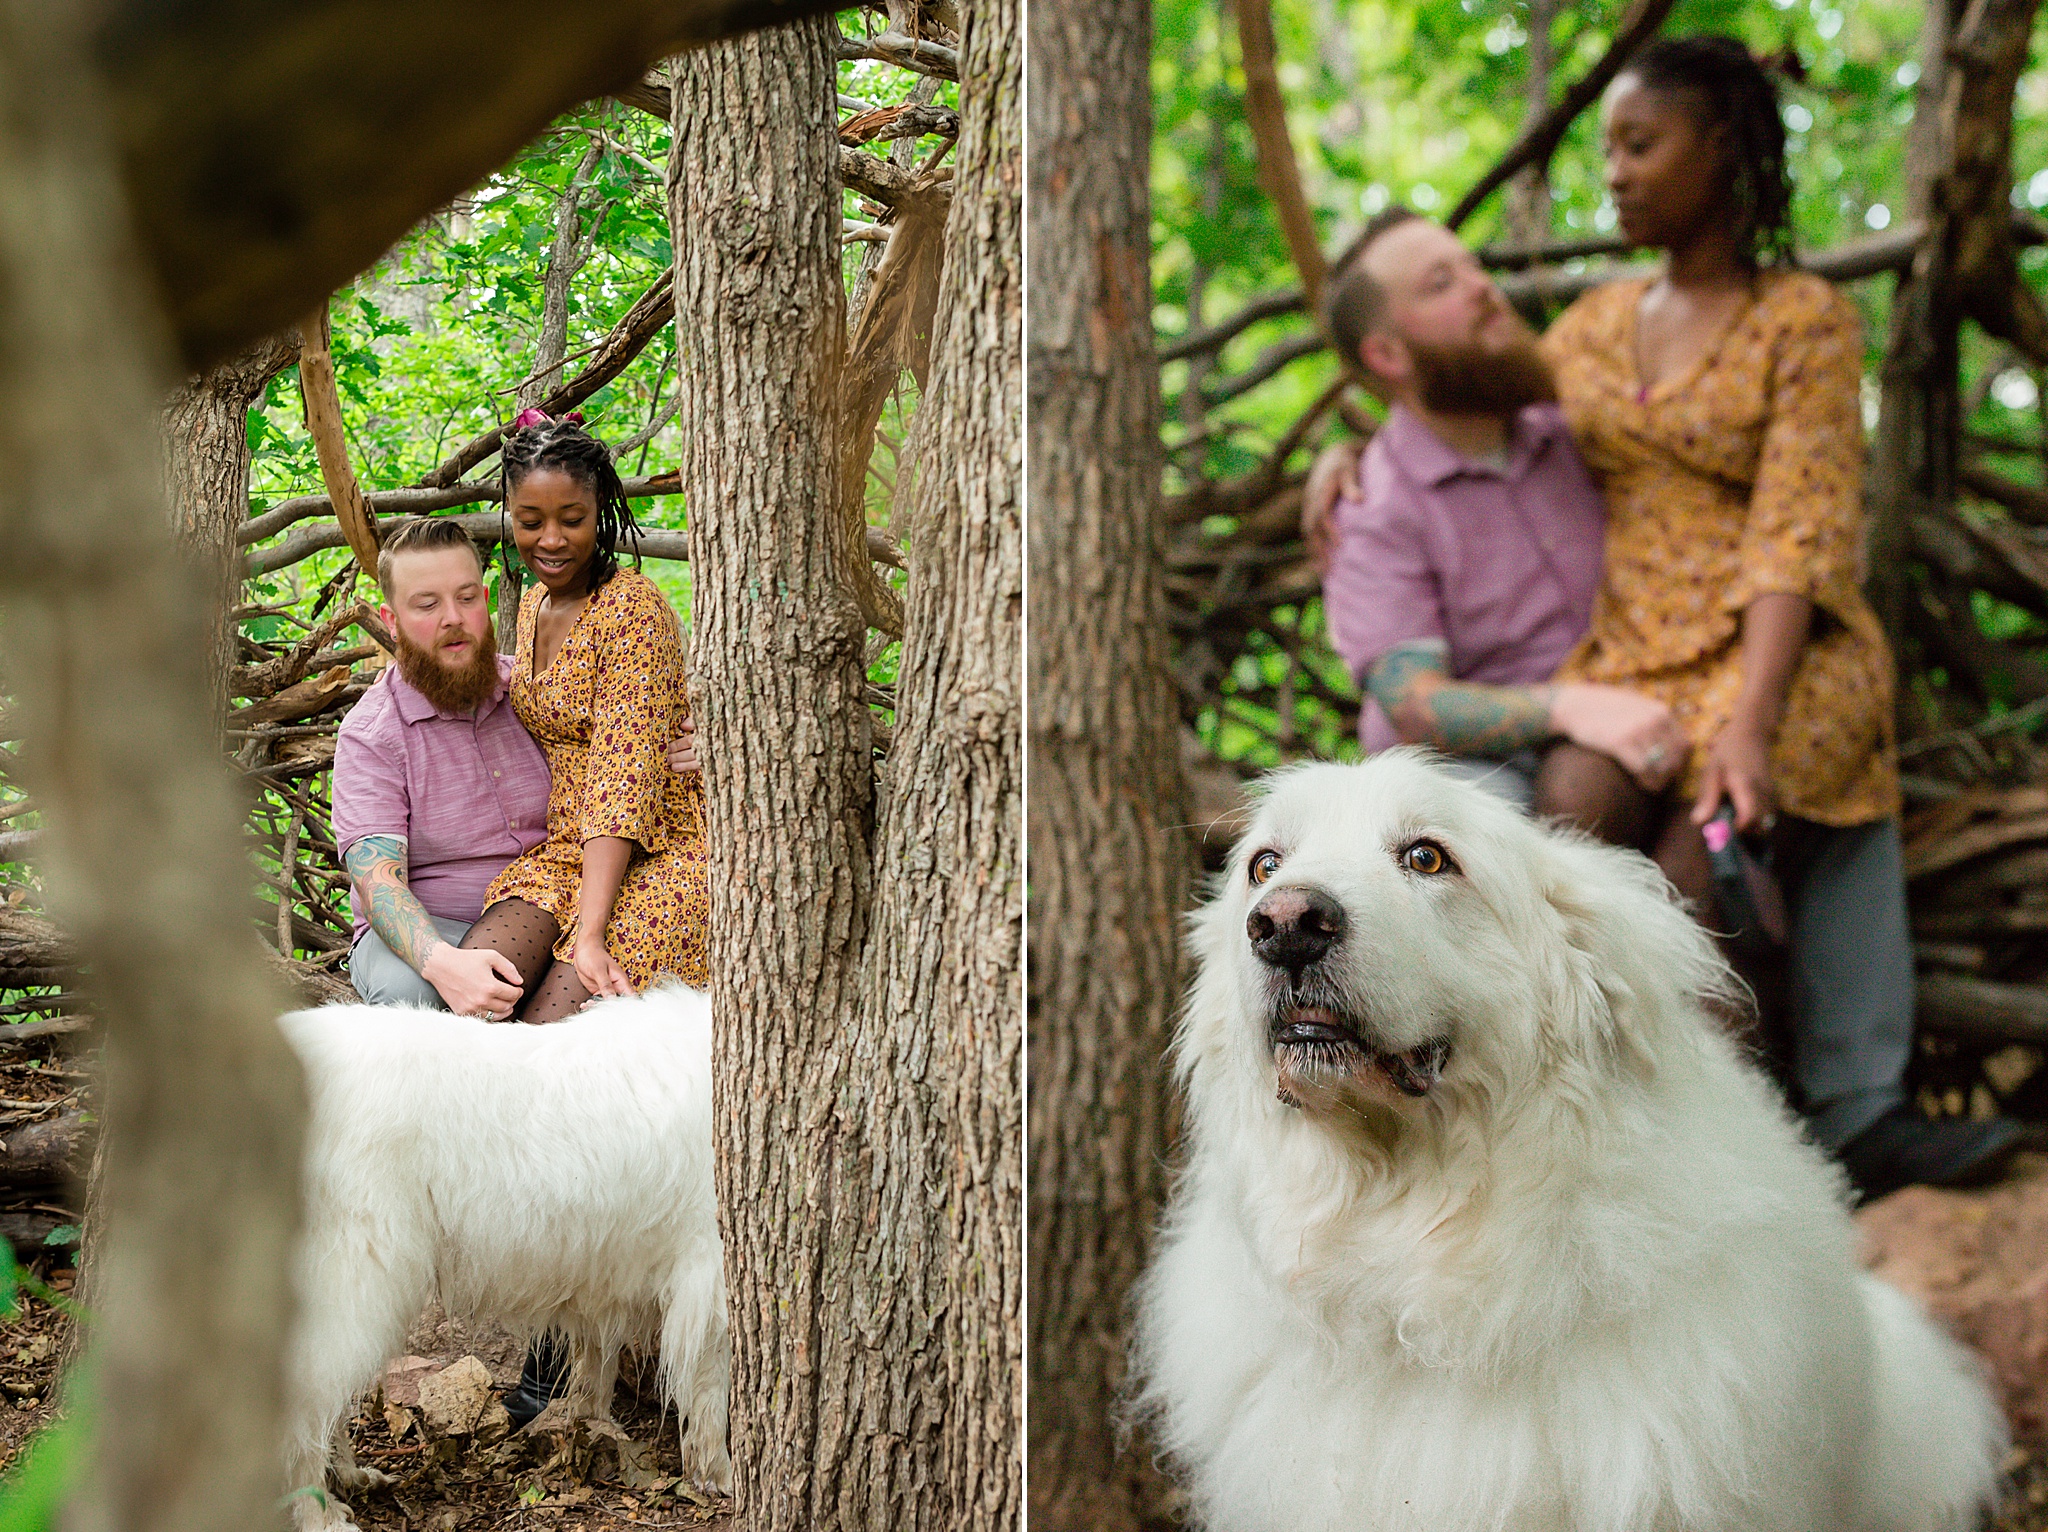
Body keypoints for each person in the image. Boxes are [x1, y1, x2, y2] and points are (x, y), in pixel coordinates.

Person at [1302, 41, 2022, 1202]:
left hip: (1770, 648)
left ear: (1720, 152)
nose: (1616, 175)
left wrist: (1742, 719)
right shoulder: (1588, 335)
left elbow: (1796, 527)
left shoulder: (1796, 320)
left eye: (1640, 147)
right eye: (1608, 150)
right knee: (1573, 808)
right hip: (1628, 664)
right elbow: (1454, 401)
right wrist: (1346, 454)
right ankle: (1575, 1106)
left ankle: (1750, 1143)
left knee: (1700, 850)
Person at [333, 516, 699, 1017]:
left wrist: (692, 746)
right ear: (390, 620)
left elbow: (626, 749)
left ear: (485, 602)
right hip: (432, 926)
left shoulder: (531, 692)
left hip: (558, 902)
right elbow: (379, 883)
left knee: (581, 1012)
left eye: (465, 598)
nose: (452, 618)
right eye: (427, 605)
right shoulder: (374, 733)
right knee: (420, 1003)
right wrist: (443, 963)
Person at [452, 411, 710, 1026]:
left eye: (573, 520)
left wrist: (589, 934)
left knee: (551, 1027)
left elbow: (625, 784)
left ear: (602, 514)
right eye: (530, 521)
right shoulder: (535, 599)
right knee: (478, 990)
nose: (551, 541)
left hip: (664, 847)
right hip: (570, 846)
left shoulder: (633, 610)